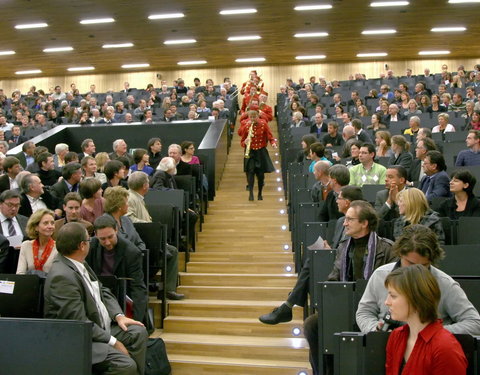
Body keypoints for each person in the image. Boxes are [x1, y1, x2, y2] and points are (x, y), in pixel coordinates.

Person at [303, 201, 395, 374]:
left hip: (375, 308)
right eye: (345, 219)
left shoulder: (387, 249)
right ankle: (325, 371)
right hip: (345, 306)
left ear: (364, 223)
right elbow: (334, 278)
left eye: (349, 219)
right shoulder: (344, 247)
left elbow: (392, 287)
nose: (344, 223)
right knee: (312, 325)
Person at [44, 222, 148, 374]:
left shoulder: (79, 262)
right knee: (125, 365)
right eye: (88, 239)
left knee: (138, 332)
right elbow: (80, 323)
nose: (91, 242)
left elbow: (102, 290)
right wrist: (114, 342)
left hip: (101, 326)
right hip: (81, 339)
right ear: (82, 245)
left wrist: (118, 316)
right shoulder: (62, 277)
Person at [259, 188, 366, 325]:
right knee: (313, 255)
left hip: (349, 267)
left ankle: (289, 304)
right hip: (336, 262)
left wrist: (331, 250)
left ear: (347, 202)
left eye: (339, 198)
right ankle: (289, 304)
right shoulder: (340, 222)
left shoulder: (360, 225)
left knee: (313, 260)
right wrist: (330, 249)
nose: (336, 201)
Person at [384, 264, 467, 374]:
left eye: (393, 296)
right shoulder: (396, 336)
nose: (387, 302)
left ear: (416, 299)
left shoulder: (445, 347)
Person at [126, 171, 182, 300]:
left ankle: (165, 288)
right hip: (142, 241)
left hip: (148, 239)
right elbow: (129, 220)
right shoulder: (131, 198)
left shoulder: (136, 197)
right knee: (171, 252)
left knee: (171, 251)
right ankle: (166, 289)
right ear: (145, 185)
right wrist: (151, 226)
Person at [86, 216, 147, 322]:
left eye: (110, 237)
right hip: (96, 294)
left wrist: (137, 319)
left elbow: (137, 287)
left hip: (121, 297)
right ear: (95, 234)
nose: (107, 242)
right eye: (103, 239)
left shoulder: (131, 252)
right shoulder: (91, 247)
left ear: (116, 230)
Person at [239, 108, 277, 201]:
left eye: (254, 117)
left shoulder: (264, 124)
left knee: (260, 175)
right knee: (250, 172)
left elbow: (270, 136)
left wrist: (273, 143)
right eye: (251, 117)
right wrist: (245, 142)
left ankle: (260, 193)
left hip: (260, 151)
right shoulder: (246, 126)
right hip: (250, 152)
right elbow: (242, 141)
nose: (252, 119)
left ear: (258, 116)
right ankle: (251, 193)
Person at [16, 208, 57, 274]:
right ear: (36, 227)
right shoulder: (26, 245)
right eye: (45, 223)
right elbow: (20, 274)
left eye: (52, 223)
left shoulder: (58, 247)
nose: (50, 226)